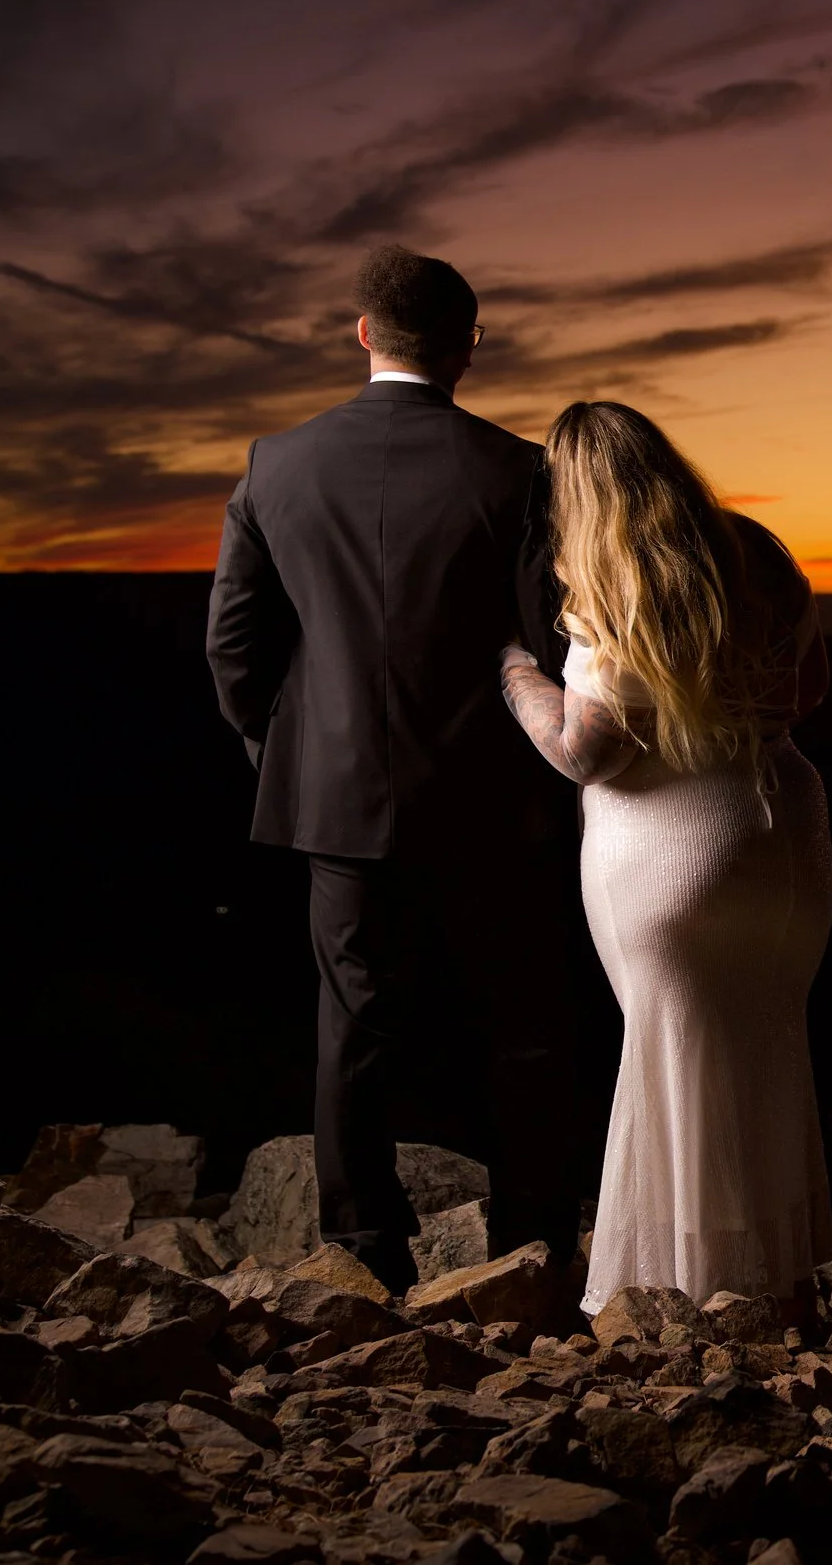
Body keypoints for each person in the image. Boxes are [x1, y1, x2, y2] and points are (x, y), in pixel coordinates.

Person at [206, 244, 591, 1291]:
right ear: (470, 345)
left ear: (363, 333)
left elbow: (234, 648)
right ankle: (535, 1242)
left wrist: (285, 749)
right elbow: (550, 643)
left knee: (355, 1025)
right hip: (493, 799)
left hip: (336, 799)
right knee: (523, 1026)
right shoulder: (518, 472)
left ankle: (365, 1247)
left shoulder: (275, 463)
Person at [497, 401, 832, 1318]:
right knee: (764, 1044)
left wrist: (516, 674)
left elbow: (583, 751)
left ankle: (677, 1295)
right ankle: (777, 1280)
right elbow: (810, 688)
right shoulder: (755, 547)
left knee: (672, 1056)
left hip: (671, 846)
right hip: (783, 834)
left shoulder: (613, 579)